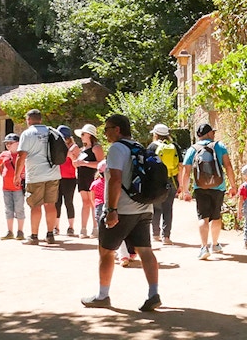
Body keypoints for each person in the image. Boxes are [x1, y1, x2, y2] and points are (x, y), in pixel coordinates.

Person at [81, 114, 161, 312]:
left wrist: (111, 210)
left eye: (107, 129)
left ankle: (102, 295)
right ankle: (153, 294)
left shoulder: (117, 148)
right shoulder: (138, 146)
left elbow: (115, 179)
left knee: (106, 251)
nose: (105, 133)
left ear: (117, 129)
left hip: (123, 209)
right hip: (144, 207)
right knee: (145, 250)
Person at [178, 122, 237, 261]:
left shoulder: (193, 149)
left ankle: (204, 247)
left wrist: (185, 190)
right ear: (209, 133)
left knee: (202, 217)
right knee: (216, 216)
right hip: (218, 187)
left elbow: (186, 171)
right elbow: (228, 166)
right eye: (213, 132)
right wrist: (233, 185)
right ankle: (215, 244)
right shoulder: (219, 146)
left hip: (200, 187)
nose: (214, 134)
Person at [14, 109, 62, 245]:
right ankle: (50, 235)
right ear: (40, 119)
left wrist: (17, 176)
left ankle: (34, 236)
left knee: (35, 206)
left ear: (28, 120)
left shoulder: (27, 134)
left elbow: (21, 156)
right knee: (51, 204)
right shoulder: (52, 131)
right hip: (53, 173)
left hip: (35, 175)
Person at [148, 124, 180, 245]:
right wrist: (181, 185)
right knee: (168, 208)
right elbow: (180, 166)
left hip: (156, 181)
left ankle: (155, 234)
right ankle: (166, 237)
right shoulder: (174, 146)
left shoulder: (152, 147)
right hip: (171, 180)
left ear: (155, 134)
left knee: (156, 208)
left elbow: (147, 165)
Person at [0, 133, 25, 240]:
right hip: (6, 187)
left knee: (19, 209)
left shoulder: (22, 155)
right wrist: (2, 174)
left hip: (18, 188)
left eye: (10, 143)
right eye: (6, 143)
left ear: (18, 143)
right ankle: (10, 231)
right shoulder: (4, 154)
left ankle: (20, 231)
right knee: (8, 210)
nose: (8, 145)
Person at [74, 124, 104, 238]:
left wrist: (85, 163)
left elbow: (101, 164)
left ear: (90, 135)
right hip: (82, 177)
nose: (81, 137)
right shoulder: (82, 150)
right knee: (85, 202)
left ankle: (95, 228)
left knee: (93, 202)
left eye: (83, 134)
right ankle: (83, 228)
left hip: (92, 177)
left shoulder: (96, 148)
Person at [55, 125, 79, 237]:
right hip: (57, 177)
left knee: (68, 202)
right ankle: (56, 227)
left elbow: (76, 164)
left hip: (69, 178)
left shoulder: (74, 147)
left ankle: (71, 227)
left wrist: (70, 156)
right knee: (57, 202)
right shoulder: (57, 147)